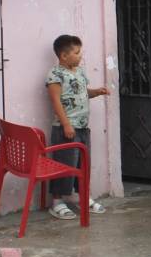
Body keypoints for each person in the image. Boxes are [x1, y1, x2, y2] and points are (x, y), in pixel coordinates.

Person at [46, 34, 109, 219]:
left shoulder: (80, 72)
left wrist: (96, 92)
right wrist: (66, 124)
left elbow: (82, 92)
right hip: (65, 128)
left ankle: (83, 198)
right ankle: (57, 202)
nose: (80, 55)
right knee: (64, 165)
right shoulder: (55, 75)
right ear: (64, 56)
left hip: (82, 128)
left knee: (83, 164)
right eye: (77, 52)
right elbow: (56, 101)